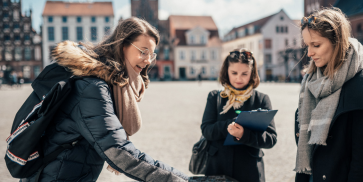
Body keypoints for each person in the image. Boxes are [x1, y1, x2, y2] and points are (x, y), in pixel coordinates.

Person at [20, 17, 188, 182]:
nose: (148, 61)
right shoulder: (91, 88)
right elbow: (119, 151)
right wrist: (180, 180)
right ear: (123, 46)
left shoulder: (114, 85)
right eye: (143, 51)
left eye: (151, 54)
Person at [294, 7, 363, 182]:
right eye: (307, 45)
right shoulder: (310, 81)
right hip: (311, 174)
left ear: (337, 42)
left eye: (316, 45)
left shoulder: (359, 83)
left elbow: (360, 159)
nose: (309, 53)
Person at [201, 48, 277, 182]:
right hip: (218, 169)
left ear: (252, 73)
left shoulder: (261, 99)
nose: (239, 78)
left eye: (244, 73)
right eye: (234, 73)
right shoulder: (214, 97)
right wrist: (230, 125)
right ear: (226, 72)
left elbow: (271, 139)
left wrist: (244, 135)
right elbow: (207, 130)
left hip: (249, 171)